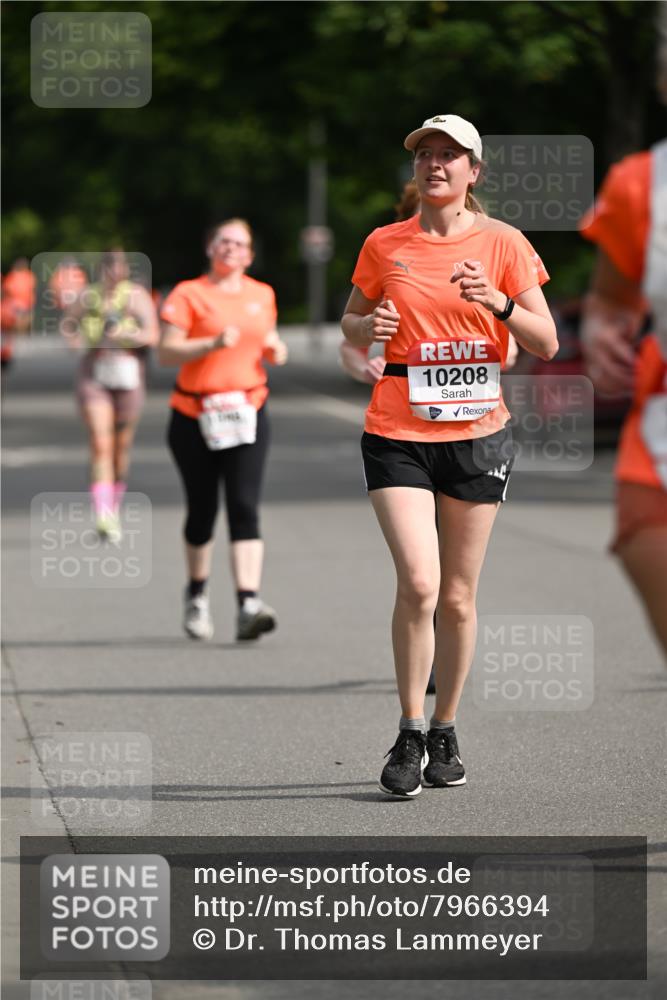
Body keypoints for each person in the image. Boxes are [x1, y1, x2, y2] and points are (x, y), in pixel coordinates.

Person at [342, 115, 557, 797]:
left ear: (473, 171)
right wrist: (366, 326)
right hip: (397, 428)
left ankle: (445, 728)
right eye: (424, 156)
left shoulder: (503, 244)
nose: (433, 165)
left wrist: (495, 302)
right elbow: (351, 318)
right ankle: (408, 731)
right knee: (420, 583)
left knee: (458, 599)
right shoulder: (384, 243)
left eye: (448, 156)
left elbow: (545, 341)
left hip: (477, 433)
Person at [579, 10, 667, 658]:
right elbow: (610, 296)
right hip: (661, 433)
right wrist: (603, 329)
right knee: (646, 542)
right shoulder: (639, 184)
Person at [159, 218, 288, 642]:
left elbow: (266, 335)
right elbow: (166, 352)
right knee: (202, 510)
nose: (231, 249)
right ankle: (196, 595)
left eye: (240, 244)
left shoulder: (262, 294)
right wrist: (210, 344)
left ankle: (248, 603)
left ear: (250, 255)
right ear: (209, 247)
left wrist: (275, 347)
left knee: (244, 505)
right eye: (224, 241)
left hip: (247, 411)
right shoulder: (188, 293)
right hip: (194, 415)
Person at [62, 250, 159, 539]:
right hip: (95, 374)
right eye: (108, 268)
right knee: (100, 443)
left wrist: (127, 336)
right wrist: (75, 338)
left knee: (120, 449)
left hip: (128, 376)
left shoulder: (137, 297)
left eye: (119, 269)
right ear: (101, 270)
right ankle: (104, 517)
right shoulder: (88, 297)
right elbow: (68, 323)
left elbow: (153, 335)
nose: (114, 274)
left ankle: (113, 506)